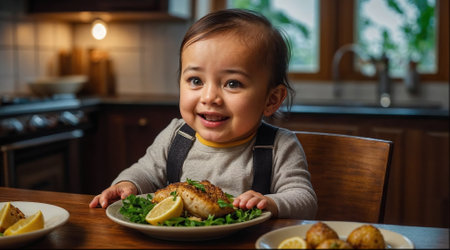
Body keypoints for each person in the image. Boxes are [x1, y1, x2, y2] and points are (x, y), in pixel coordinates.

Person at [89, 9, 317, 219]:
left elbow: (304, 199)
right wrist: (128, 183)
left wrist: (271, 202)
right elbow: (146, 172)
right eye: (196, 80)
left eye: (232, 83)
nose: (209, 97)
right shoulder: (176, 135)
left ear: (272, 100)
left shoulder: (280, 146)